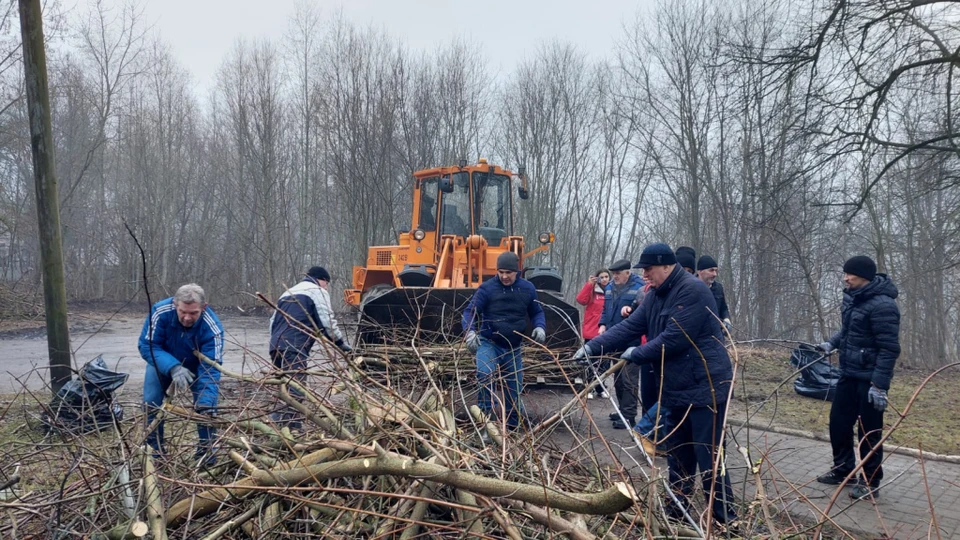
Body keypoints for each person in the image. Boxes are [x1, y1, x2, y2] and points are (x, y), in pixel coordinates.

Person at [574, 243, 737, 524]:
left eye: (648, 269)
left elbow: (675, 338)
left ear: (666, 266)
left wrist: (636, 353)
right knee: (678, 455)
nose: (645, 274)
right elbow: (630, 326)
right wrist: (593, 347)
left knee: (708, 457)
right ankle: (678, 513)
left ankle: (725, 520)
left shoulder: (692, 291)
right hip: (675, 387)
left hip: (705, 386)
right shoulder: (655, 295)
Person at [815, 255, 900, 500]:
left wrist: (879, 386)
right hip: (848, 375)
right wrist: (831, 343)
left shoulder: (884, 305)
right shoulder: (854, 299)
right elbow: (849, 331)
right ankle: (844, 470)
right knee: (838, 424)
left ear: (863, 276)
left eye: (849, 274)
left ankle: (870, 482)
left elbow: (889, 348)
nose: (845, 278)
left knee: (868, 432)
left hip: (870, 380)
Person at [139, 283, 224, 464]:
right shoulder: (160, 311)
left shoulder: (212, 327)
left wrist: (205, 402)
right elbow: (148, 346)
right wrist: (173, 367)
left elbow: (211, 366)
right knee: (151, 403)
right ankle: (154, 452)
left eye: (194, 313)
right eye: (182, 311)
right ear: (175, 304)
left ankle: (206, 454)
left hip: (197, 366)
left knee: (206, 408)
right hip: (162, 360)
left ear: (204, 307)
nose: (187, 318)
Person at [462, 252, 546, 431]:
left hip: (513, 347)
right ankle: (485, 423)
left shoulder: (527, 289)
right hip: (488, 342)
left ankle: (512, 426)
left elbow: (537, 312)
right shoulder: (487, 289)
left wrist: (540, 327)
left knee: (514, 387)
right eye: (501, 272)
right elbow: (470, 312)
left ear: (518, 272)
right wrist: (470, 333)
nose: (504, 276)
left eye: (509, 272)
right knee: (485, 375)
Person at [269, 266, 352, 427]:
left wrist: (275, 343)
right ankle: (292, 428)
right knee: (296, 387)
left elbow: (272, 321)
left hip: (276, 345)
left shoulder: (288, 292)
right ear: (321, 280)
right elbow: (327, 321)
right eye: (326, 283)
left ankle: (277, 422)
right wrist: (341, 344)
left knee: (283, 386)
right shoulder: (317, 291)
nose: (326, 287)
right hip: (295, 344)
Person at [597, 259, 644, 429]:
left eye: (618, 273)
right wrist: (602, 324)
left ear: (627, 272)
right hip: (613, 338)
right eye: (613, 273)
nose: (615, 276)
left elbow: (644, 311)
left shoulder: (639, 287)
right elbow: (605, 309)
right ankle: (622, 410)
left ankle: (629, 416)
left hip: (631, 341)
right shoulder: (609, 287)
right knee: (617, 379)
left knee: (629, 379)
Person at [576, 269, 610, 398]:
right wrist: (589, 284)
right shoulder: (593, 291)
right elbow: (581, 300)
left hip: (607, 332)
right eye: (601, 277)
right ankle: (588, 388)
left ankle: (600, 388)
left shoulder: (612, 290)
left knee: (604, 363)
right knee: (590, 362)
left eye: (607, 276)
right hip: (592, 331)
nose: (605, 279)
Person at [697, 255, 731, 332]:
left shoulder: (718, 288)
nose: (715, 274)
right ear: (700, 272)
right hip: (697, 335)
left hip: (716, 334)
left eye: (716, 271)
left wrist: (726, 319)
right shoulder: (690, 287)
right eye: (711, 270)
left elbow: (723, 308)